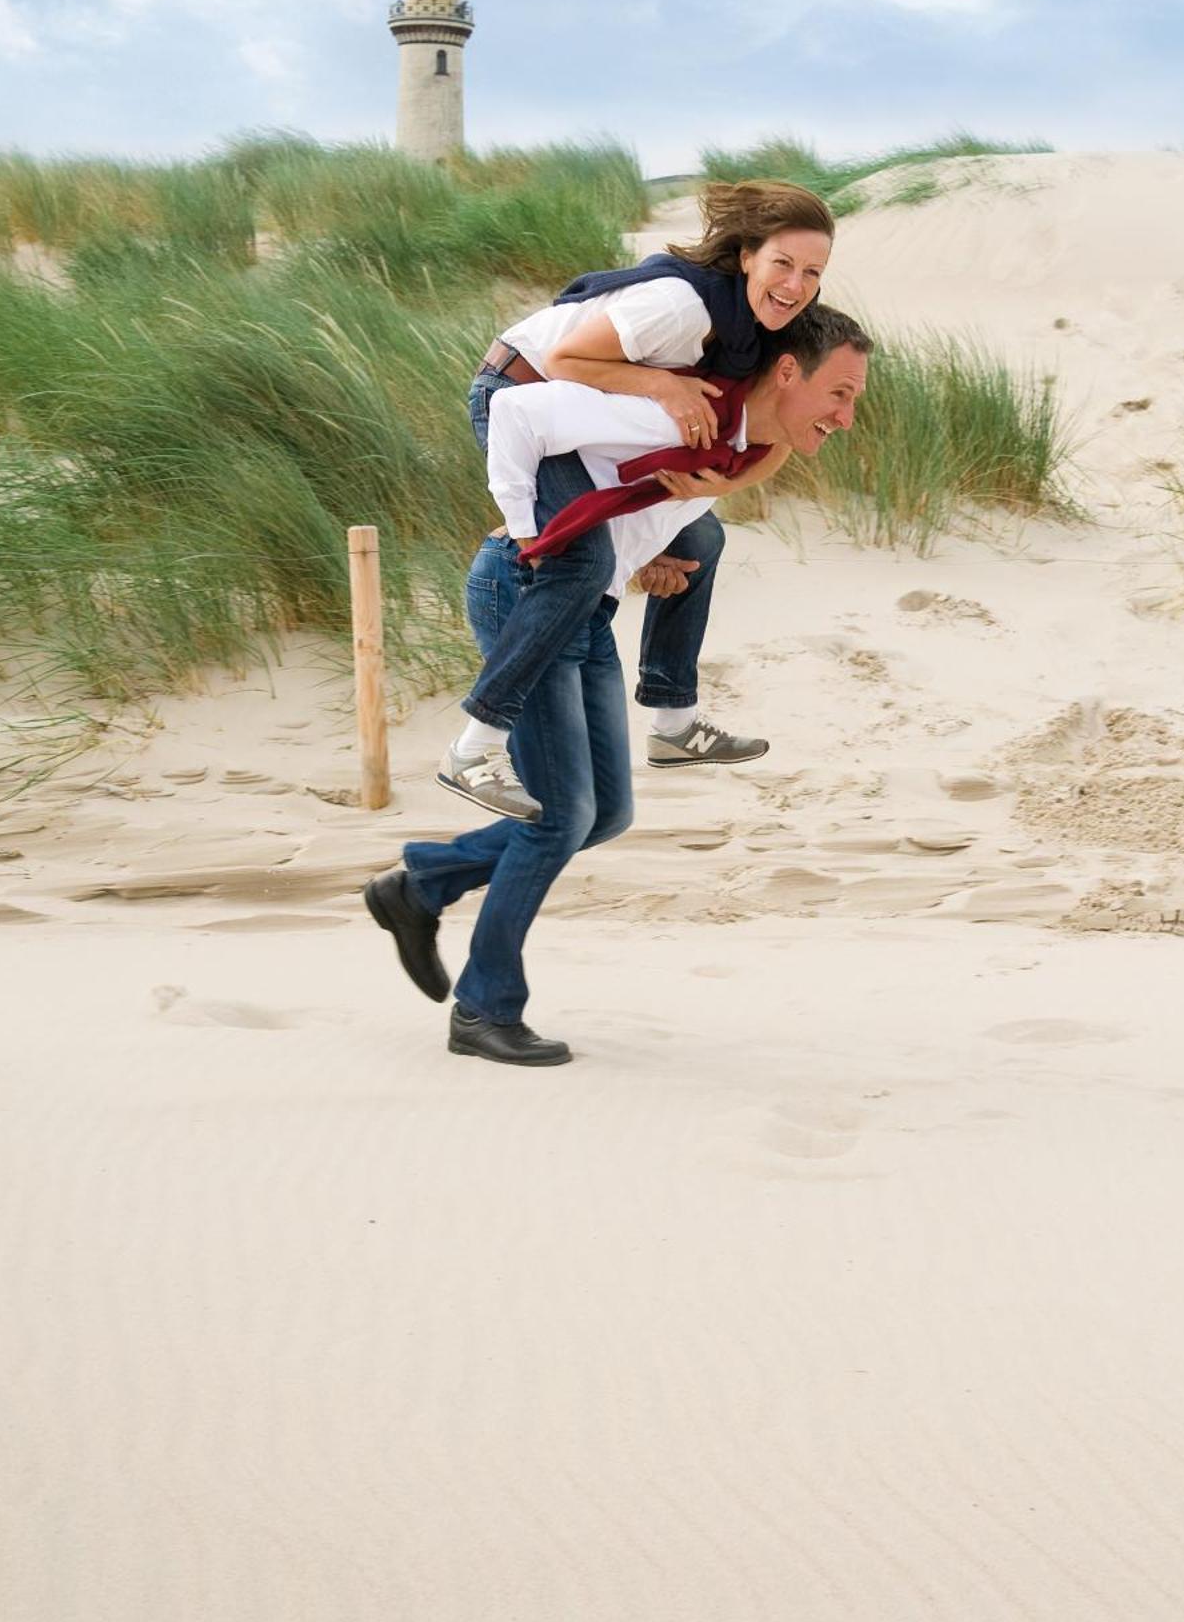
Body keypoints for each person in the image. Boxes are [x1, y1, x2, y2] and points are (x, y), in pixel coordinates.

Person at [363, 304, 872, 1067]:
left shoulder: (732, 447)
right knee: (556, 816)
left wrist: (648, 556)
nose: (847, 417)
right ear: (788, 373)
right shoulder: (677, 411)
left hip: (588, 616)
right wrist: (525, 527)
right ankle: (483, 1008)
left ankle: (423, 882)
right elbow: (515, 409)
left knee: (603, 814)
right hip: (523, 593)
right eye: (840, 394)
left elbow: (611, 504)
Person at [437, 179, 835, 814]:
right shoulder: (683, 306)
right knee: (584, 562)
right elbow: (566, 360)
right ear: (745, 258)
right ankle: (474, 748)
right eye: (782, 263)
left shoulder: (757, 324)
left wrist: (728, 483)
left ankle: (674, 723)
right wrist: (661, 386)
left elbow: (784, 421)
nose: (797, 284)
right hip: (521, 390)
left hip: (589, 405)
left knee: (702, 537)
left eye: (813, 271)